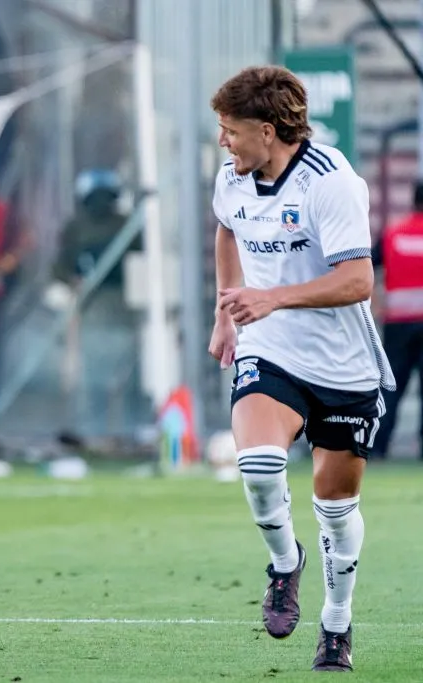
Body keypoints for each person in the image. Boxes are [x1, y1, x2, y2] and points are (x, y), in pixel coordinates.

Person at [207, 65, 393, 673]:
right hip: (272, 346)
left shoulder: (331, 181)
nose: (222, 141)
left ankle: (336, 624)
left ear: (268, 130)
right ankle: (285, 562)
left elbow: (358, 280)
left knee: (336, 509)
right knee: (258, 464)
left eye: (230, 130)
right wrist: (227, 310)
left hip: (343, 363)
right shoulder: (233, 177)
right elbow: (226, 231)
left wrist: (274, 296)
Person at [370, 182, 423, 460]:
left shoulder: (394, 234)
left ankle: (378, 449)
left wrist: (377, 304)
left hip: (398, 323)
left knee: (391, 387)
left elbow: (366, 268)